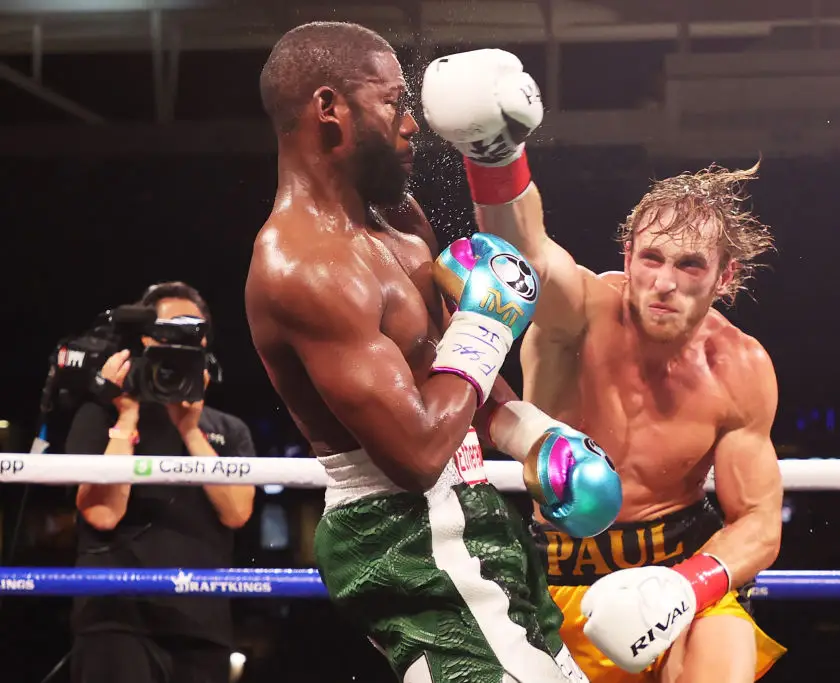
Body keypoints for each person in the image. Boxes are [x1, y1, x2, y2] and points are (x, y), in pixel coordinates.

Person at [245, 21, 622, 683]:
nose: (413, 123)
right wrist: (487, 323)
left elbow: (451, 370)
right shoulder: (301, 265)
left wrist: (533, 432)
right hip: (403, 530)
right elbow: (416, 452)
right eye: (391, 101)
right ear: (329, 108)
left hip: (470, 509)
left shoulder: (401, 220)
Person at [421, 50, 787, 682]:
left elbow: (757, 519)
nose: (664, 282)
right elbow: (526, 253)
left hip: (673, 573)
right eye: (651, 258)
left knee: (722, 658)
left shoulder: (741, 366)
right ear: (628, 254)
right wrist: (494, 155)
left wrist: (686, 588)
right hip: (557, 577)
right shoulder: (584, 314)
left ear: (725, 277)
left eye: (690, 265)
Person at [68, 281, 256, 683]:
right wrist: (127, 416)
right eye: (167, 328)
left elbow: (238, 512)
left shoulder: (228, 429)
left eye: (191, 329)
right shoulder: (100, 414)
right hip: (115, 618)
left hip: (201, 623)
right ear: (147, 336)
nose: (178, 339)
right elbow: (102, 513)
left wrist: (190, 431)